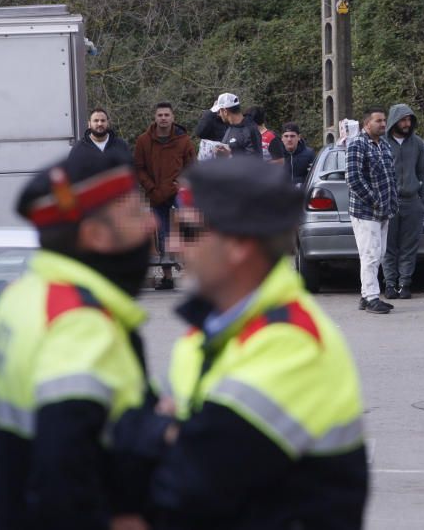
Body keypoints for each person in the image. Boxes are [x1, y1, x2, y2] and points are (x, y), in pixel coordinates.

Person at [148, 157, 368, 529]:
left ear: (237, 245)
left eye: (187, 232)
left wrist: (163, 433)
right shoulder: (206, 330)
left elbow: (184, 491)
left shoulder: (293, 343)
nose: (172, 246)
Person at [0, 152, 156, 530]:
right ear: (95, 236)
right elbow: (62, 473)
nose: (151, 222)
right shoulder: (81, 325)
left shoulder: (21, 299)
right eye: (134, 213)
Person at [134, 102, 197, 290]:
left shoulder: (184, 140)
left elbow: (192, 166)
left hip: (177, 190)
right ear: (155, 117)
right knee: (161, 233)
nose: (163, 118)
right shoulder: (143, 141)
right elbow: (139, 168)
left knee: (190, 223)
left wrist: (182, 184)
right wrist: (151, 188)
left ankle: (193, 270)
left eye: (166, 115)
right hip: (156, 192)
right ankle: (167, 276)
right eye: (160, 115)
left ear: (173, 117)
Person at [345, 107, 398, 314]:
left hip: (385, 210)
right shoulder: (357, 144)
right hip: (366, 211)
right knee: (370, 254)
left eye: (384, 120)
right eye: (378, 121)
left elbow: (390, 177)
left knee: (379, 253)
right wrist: (374, 200)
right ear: (367, 124)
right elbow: (353, 178)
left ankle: (366, 295)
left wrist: (391, 203)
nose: (383, 124)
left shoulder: (384, 145)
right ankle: (372, 297)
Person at [382, 104, 424, 300]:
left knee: (409, 246)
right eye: (403, 120)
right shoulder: (381, 143)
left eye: (409, 120)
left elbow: (422, 173)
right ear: (394, 120)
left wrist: (422, 201)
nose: (407, 124)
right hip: (388, 202)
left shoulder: (417, 143)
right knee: (388, 246)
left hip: (412, 202)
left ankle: (405, 284)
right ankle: (390, 284)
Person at [211, 93, 261, 157]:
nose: (219, 115)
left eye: (219, 111)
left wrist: (229, 156)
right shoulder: (231, 126)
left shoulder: (250, 129)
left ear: (225, 111)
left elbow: (256, 162)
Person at [280, 122, 316, 188]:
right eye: (286, 136)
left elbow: (314, 177)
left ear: (299, 137)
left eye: (292, 136)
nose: (289, 139)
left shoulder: (309, 154)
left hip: (302, 194)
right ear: (282, 138)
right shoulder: (277, 155)